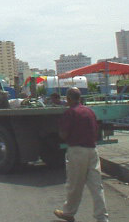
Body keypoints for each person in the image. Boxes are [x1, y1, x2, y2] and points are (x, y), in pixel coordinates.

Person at [53, 87, 108, 222]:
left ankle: (69, 212)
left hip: (77, 151)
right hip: (92, 150)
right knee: (96, 186)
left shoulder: (70, 113)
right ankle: (102, 217)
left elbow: (64, 134)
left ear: (69, 99)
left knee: (75, 184)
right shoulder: (90, 111)